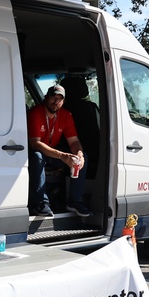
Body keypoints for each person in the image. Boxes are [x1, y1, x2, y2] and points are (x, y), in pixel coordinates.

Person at [28, 84, 91, 217]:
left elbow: (74, 141)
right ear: (46, 97)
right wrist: (62, 156)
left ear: (63, 102)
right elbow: (35, 144)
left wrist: (78, 154)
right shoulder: (35, 112)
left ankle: (75, 201)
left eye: (59, 99)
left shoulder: (66, 115)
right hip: (37, 153)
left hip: (53, 153)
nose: (55, 102)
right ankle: (40, 203)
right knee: (37, 156)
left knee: (80, 157)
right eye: (53, 97)